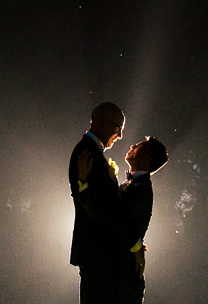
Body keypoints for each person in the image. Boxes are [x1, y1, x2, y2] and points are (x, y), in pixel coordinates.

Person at [77, 135, 169, 304]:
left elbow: (110, 219)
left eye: (140, 146)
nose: (133, 145)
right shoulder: (133, 185)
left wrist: (83, 184)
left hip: (120, 281)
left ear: (146, 158)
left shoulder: (141, 190)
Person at [70, 102, 127, 303]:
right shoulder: (87, 153)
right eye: (117, 128)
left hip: (97, 252)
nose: (119, 136)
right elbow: (97, 207)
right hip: (95, 251)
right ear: (102, 122)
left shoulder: (93, 151)